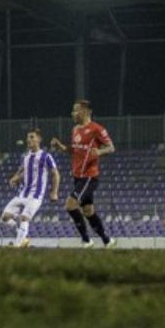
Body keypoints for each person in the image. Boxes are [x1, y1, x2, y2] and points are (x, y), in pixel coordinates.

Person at [48, 99, 115, 248]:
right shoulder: (75, 129)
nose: (72, 113)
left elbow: (111, 147)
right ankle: (107, 240)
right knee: (88, 211)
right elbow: (74, 151)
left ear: (84, 111)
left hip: (89, 176)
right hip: (77, 177)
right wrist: (61, 147)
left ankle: (86, 240)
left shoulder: (97, 129)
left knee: (70, 205)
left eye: (75, 110)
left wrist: (99, 151)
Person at [2, 129, 60, 248]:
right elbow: (24, 169)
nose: (29, 140)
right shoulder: (27, 156)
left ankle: (17, 246)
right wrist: (15, 177)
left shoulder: (46, 156)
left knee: (24, 218)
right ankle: (23, 238)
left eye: (32, 137)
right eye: (28, 137)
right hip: (22, 194)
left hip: (36, 195)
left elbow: (55, 173)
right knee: (5, 217)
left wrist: (54, 192)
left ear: (39, 139)